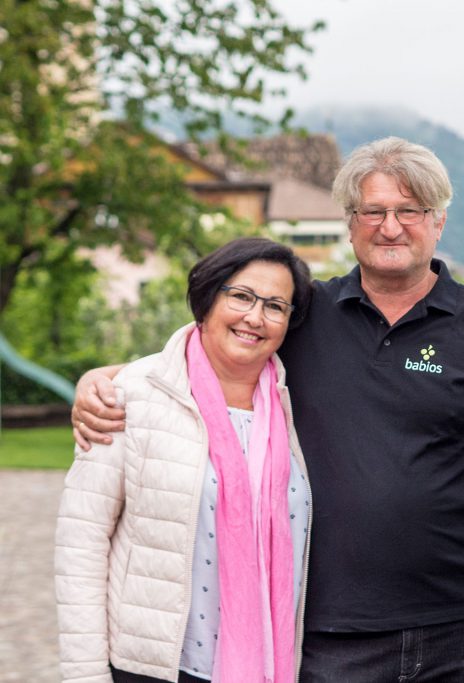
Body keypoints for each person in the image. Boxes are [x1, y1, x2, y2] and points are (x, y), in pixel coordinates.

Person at [69, 137, 464, 683]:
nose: (390, 227)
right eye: (373, 211)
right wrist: (107, 378)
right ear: (350, 221)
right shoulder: (304, 315)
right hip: (329, 632)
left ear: (439, 221)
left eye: (409, 211)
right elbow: (212, 350)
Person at [54, 237, 314, 682]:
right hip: (153, 667)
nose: (255, 316)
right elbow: (81, 544)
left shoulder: (299, 407)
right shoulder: (131, 396)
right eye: (241, 296)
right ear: (208, 298)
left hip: (270, 661)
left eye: (275, 306)